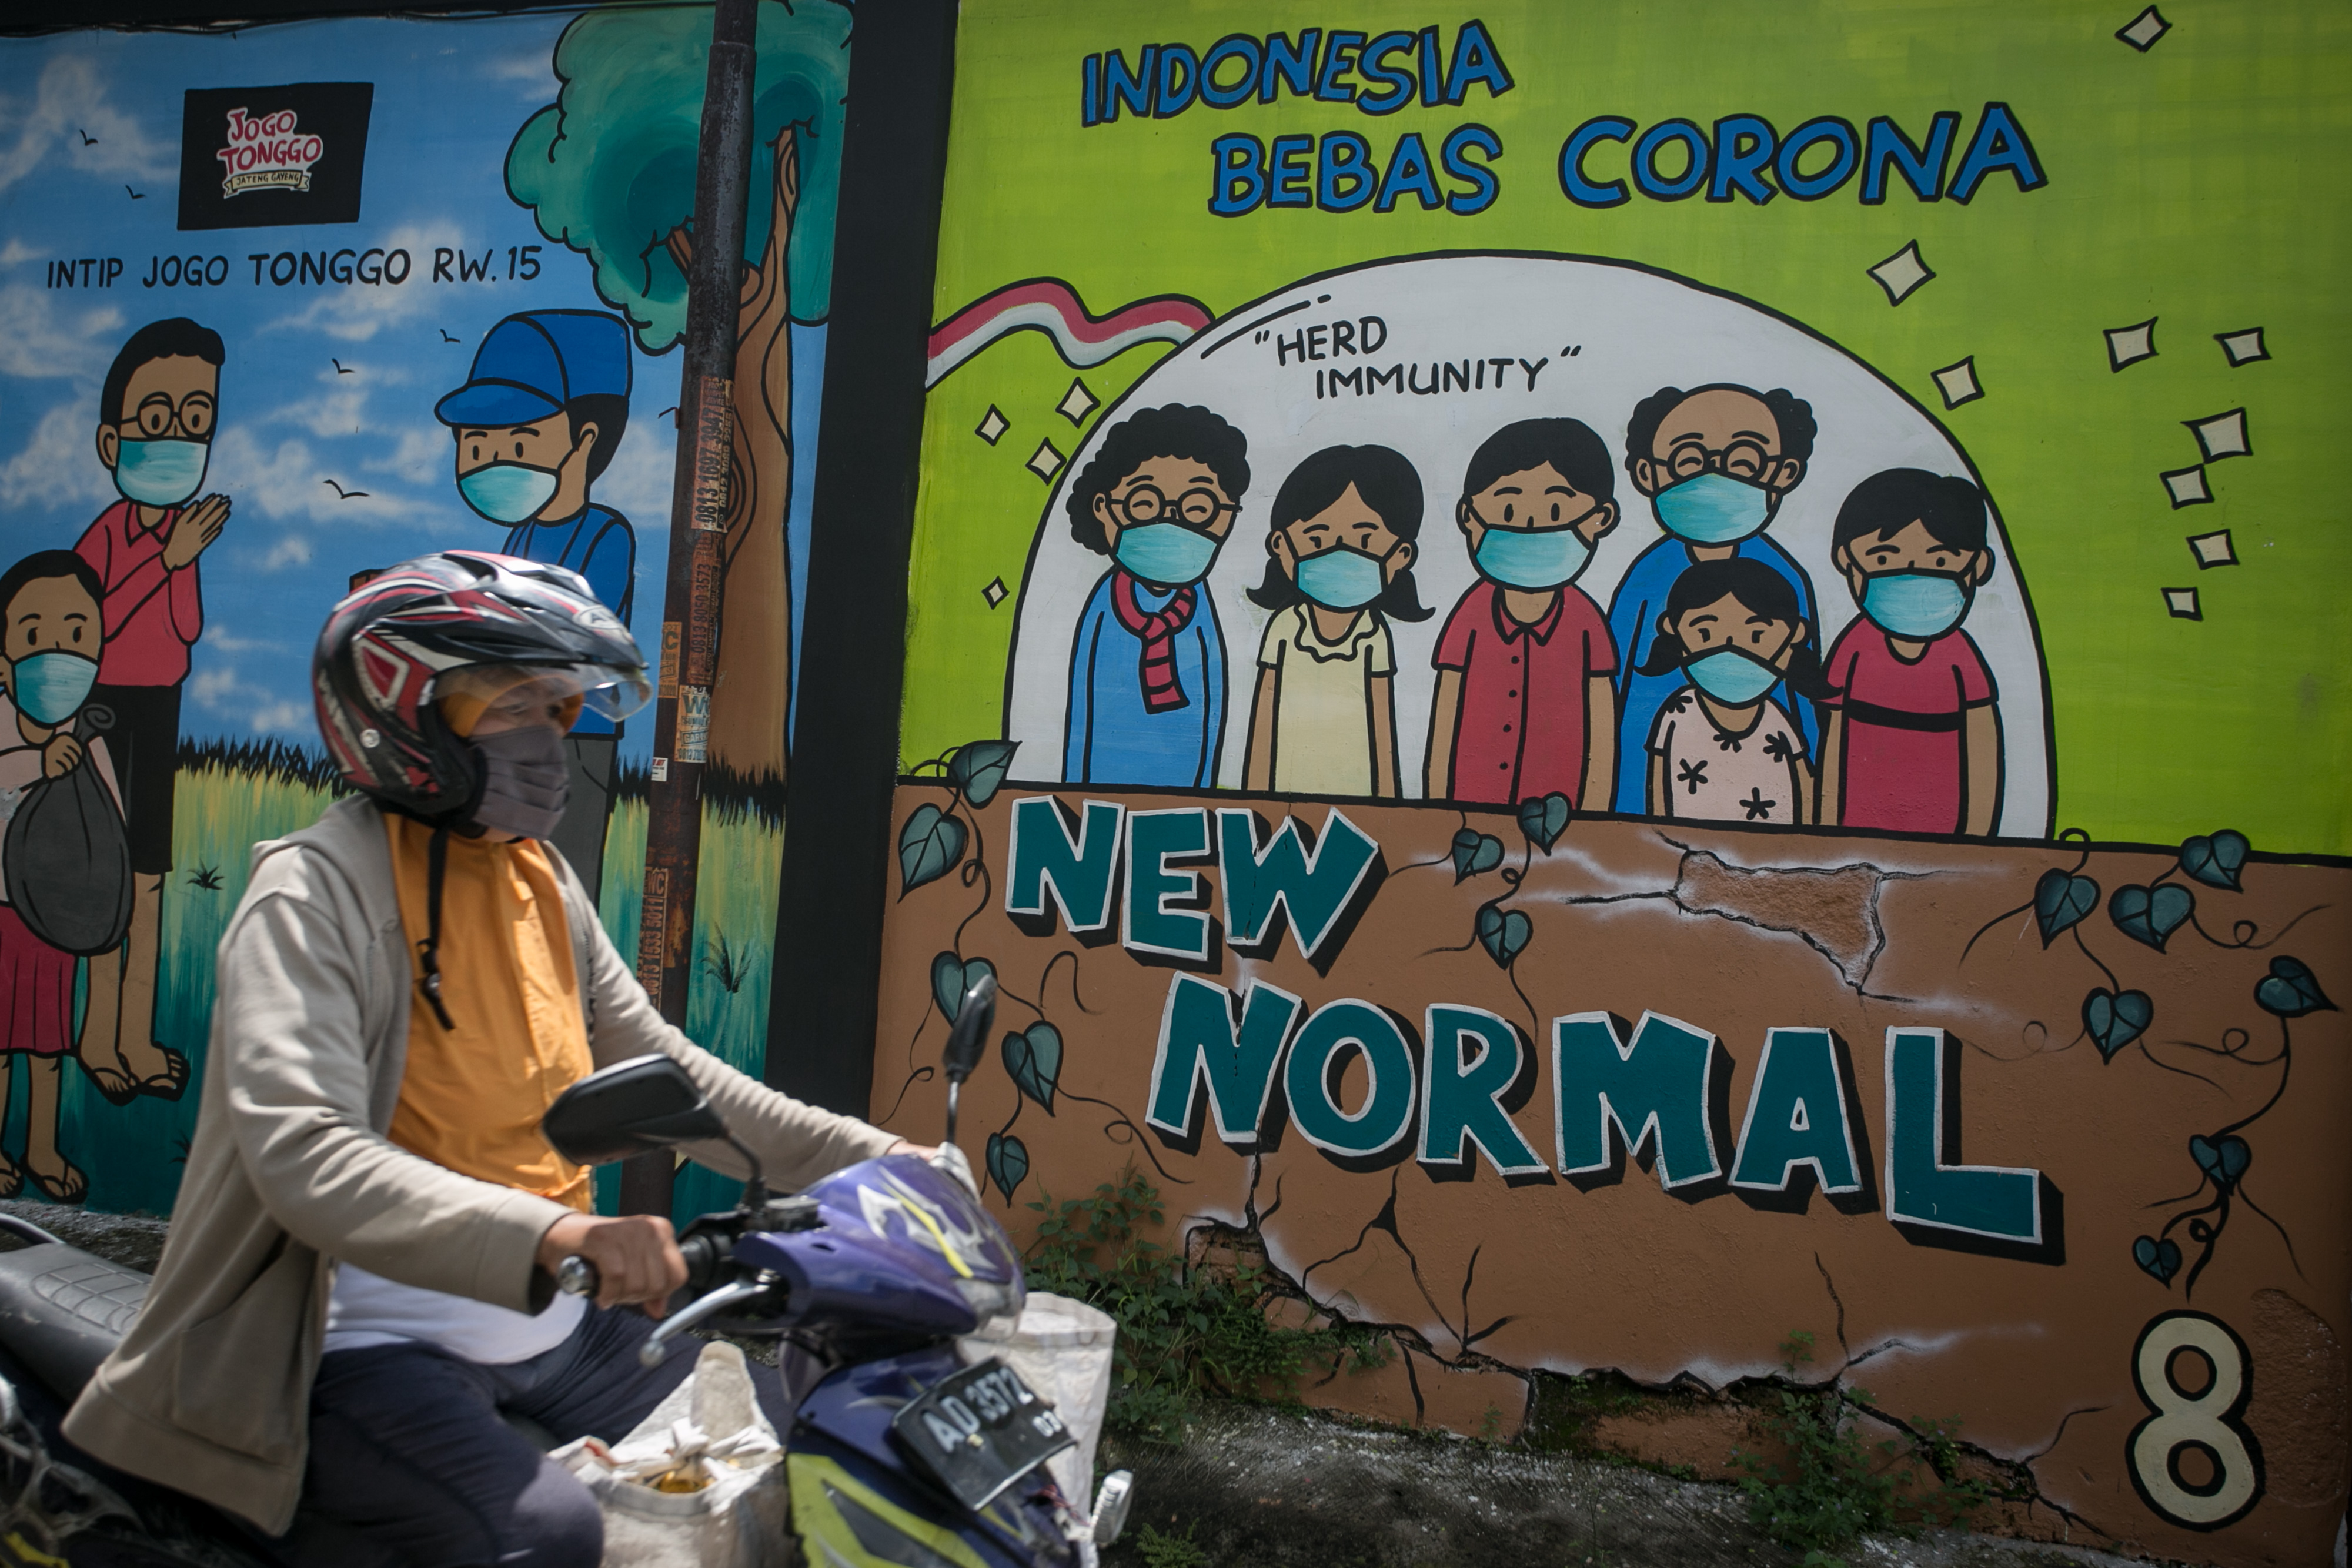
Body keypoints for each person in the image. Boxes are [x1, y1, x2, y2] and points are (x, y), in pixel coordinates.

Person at [64, 551, 942, 1564]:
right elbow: (303, 1154)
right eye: (514, 702)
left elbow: (671, 1069)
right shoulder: (311, 896)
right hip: (361, 1340)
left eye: (563, 707)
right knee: (546, 1534)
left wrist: (885, 1163)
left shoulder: (539, 879)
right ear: (404, 711)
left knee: (781, 1458)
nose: (550, 740)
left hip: (555, 1324)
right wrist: (561, 1230)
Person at [73, 317, 231, 1106]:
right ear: (114, 443)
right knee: (108, 883)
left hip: (161, 707)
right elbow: (92, 625)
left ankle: (136, 1035)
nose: (178, 436)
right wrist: (164, 562)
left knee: (150, 883)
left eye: (195, 419)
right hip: (106, 711)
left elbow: (187, 630)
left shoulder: (177, 531)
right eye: (158, 419)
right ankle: (97, 1036)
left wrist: (182, 563)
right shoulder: (105, 534)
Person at [437, 310, 637, 904]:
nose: (492, 460)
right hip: (511, 732)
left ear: (584, 440)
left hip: (579, 738)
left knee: (562, 889)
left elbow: (570, 639)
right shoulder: (517, 541)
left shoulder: (605, 536)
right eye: (476, 444)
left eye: (518, 442)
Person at [1605, 383, 1819, 815]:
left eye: (1745, 461)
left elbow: (1805, 687)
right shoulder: (1647, 577)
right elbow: (1615, 680)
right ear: (1649, 475)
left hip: (1767, 760)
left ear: (1784, 473)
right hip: (1651, 765)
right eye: (1688, 461)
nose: (1714, 477)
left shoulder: (1786, 576)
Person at [0, 551, 125, 1202]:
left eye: (77, 635)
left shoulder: (91, 738)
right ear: (3, 660)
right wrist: (36, 765)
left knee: (49, 1047)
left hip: (54, 918)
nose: (58, 652)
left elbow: (113, 826)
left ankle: (42, 1148)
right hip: (0, 914)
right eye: (35, 635)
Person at [1426, 418, 1620, 806]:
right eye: (1509, 509)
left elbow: (1602, 731)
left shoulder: (1586, 622)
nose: (1530, 526)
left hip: (1561, 817)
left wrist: (1595, 817)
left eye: (1554, 509)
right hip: (1470, 808)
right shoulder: (1470, 614)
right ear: (1469, 517)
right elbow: (1445, 717)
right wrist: (1437, 807)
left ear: (1601, 518)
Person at [1060, 404, 1250, 788]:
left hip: (1187, 777)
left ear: (1227, 516)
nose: (1170, 521)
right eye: (1144, 504)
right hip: (1101, 777)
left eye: (1198, 508)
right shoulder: (1104, 603)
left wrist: (1207, 793)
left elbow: (1213, 700)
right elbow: (1081, 705)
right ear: (1105, 509)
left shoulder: (1200, 608)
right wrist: (1072, 787)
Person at [1818, 469, 2003, 835]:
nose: (1913, 576)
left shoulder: (1959, 655)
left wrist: (1978, 836)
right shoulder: (1854, 646)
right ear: (1847, 561)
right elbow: (1834, 737)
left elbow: (1983, 745)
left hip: (1942, 831)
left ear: (1978, 566)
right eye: (1884, 560)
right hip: (1857, 825)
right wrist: (1825, 826)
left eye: (1939, 562)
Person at [1242, 444, 1433, 798]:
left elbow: (1382, 728)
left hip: (1358, 795)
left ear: (1401, 556)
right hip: (1283, 790)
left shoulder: (1373, 636)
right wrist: (1253, 799)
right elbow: (1263, 720)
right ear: (1281, 546)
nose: (1340, 554)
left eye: (1365, 540)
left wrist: (1389, 806)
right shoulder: (1284, 627)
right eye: (1316, 539)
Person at [1633, 558, 1827, 825]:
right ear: (1673, 629)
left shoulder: (1776, 720)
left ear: (1794, 634)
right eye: (1705, 633)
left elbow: (1804, 788)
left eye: (1757, 636)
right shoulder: (1678, 712)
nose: (1730, 649)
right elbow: (1657, 784)